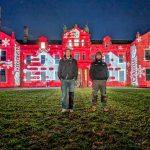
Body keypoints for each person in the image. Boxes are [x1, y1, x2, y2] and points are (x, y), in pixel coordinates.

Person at [58, 48, 78, 113]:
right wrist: (60, 77)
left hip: (71, 80)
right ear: (65, 53)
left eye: (69, 52)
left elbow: (76, 70)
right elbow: (59, 70)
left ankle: (71, 108)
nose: (68, 53)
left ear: (70, 53)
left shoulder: (74, 61)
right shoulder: (61, 61)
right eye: (67, 52)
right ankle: (64, 107)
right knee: (64, 95)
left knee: (71, 95)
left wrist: (75, 78)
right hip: (64, 80)